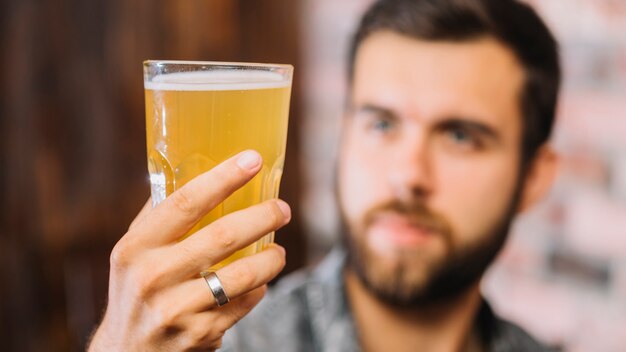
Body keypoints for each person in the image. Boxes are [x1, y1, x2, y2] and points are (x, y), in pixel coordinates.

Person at [88, 0, 561, 350]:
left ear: (535, 177)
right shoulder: (219, 346)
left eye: (459, 136)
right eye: (381, 124)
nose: (407, 175)